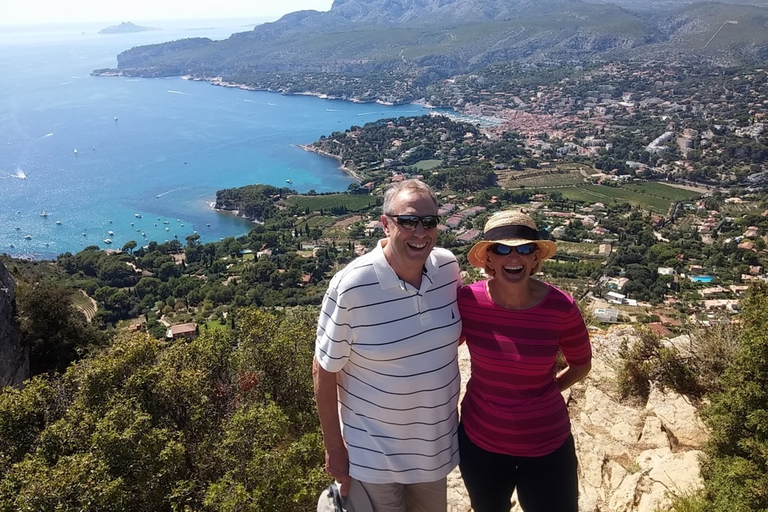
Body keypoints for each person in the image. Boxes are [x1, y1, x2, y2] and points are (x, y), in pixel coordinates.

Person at [313, 179, 463, 512]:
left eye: (429, 221)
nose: (419, 231)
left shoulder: (448, 269)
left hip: (432, 452)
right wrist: (335, 450)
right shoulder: (352, 286)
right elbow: (324, 369)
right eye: (408, 221)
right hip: (373, 458)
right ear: (386, 223)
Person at [457, 210, 592, 512]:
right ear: (489, 259)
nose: (513, 257)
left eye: (524, 248)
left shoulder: (561, 308)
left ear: (535, 258)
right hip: (481, 442)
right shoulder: (468, 302)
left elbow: (582, 364)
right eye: (502, 249)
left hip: (546, 444)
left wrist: (547, 391)